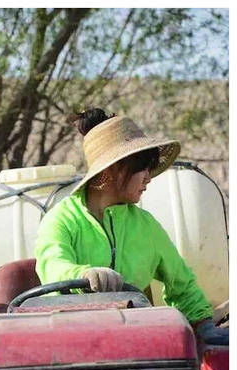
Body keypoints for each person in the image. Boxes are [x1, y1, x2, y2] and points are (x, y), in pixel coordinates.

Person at [34, 108, 228, 346]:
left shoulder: (146, 226)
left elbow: (182, 284)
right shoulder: (61, 220)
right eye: (142, 168)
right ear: (111, 170)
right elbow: (53, 267)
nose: (148, 178)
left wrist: (204, 326)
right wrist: (84, 275)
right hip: (74, 342)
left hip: (136, 343)